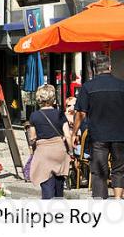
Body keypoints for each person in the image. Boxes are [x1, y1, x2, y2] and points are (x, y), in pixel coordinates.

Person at [73, 54, 124, 199]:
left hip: (98, 136)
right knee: (119, 169)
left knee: (99, 171)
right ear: (110, 67)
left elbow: (81, 114)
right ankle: (118, 199)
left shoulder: (88, 87)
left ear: (95, 69)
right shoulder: (122, 86)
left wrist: (74, 134)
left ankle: (101, 202)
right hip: (120, 135)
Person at [28, 84, 72, 199]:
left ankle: (48, 211)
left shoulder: (34, 116)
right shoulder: (60, 114)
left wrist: (32, 150)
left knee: (46, 182)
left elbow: (32, 138)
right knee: (59, 183)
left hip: (43, 152)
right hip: (59, 151)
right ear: (53, 98)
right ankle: (59, 209)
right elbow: (67, 135)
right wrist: (71, 151)